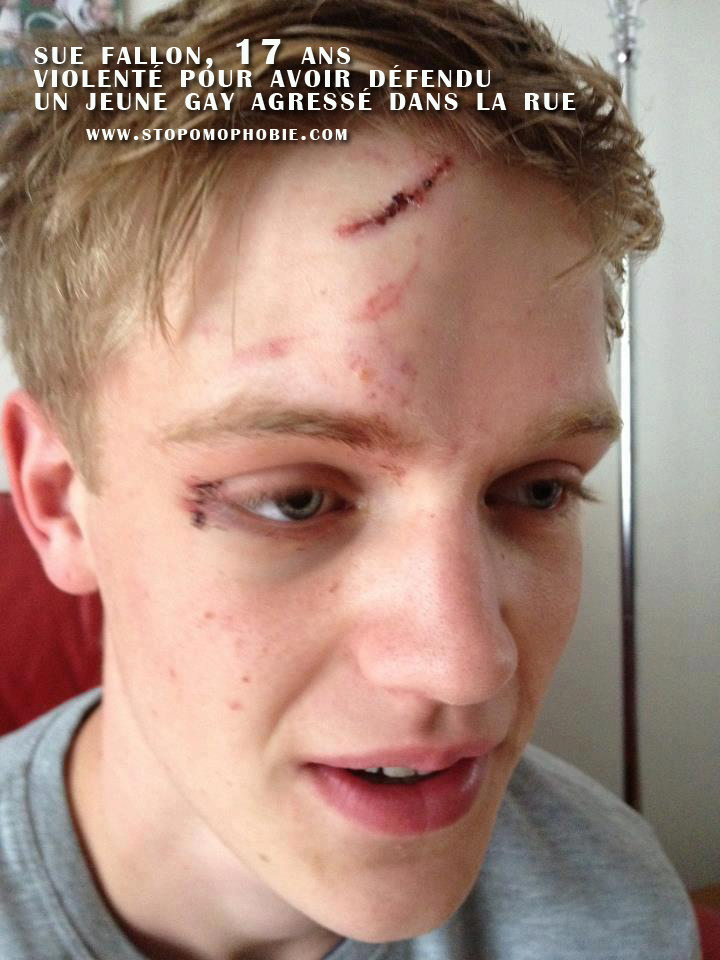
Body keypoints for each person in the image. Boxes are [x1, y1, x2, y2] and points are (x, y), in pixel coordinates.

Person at [0, 1, 700, 958]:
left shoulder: (613, 913)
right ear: (56, 498)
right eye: (297, 500)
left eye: (536, 490)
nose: (469, 665)